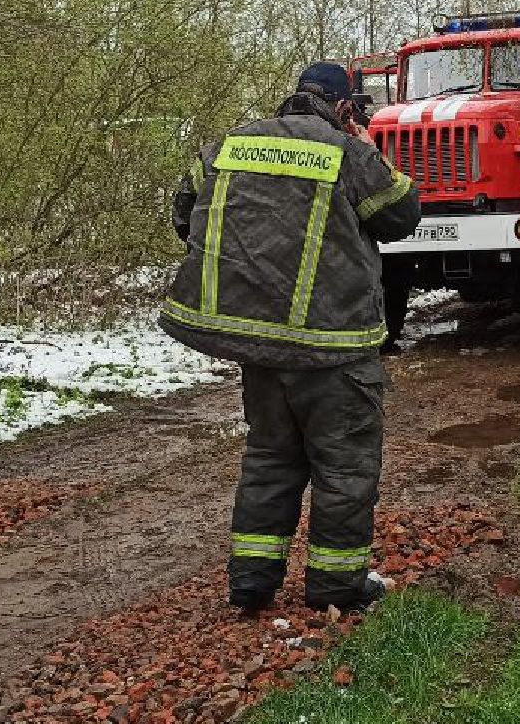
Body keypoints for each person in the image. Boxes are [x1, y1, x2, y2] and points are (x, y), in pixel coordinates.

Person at [160, 62, 420, 614]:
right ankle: (337, 587)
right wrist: (367, 146)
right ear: (346, 107)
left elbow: (189, 219)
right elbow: (402, 217)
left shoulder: (230, 146)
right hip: (334, 350)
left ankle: (251, 584)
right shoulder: (348, 153)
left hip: (262, 347)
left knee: (270, 460)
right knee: (345, 469)